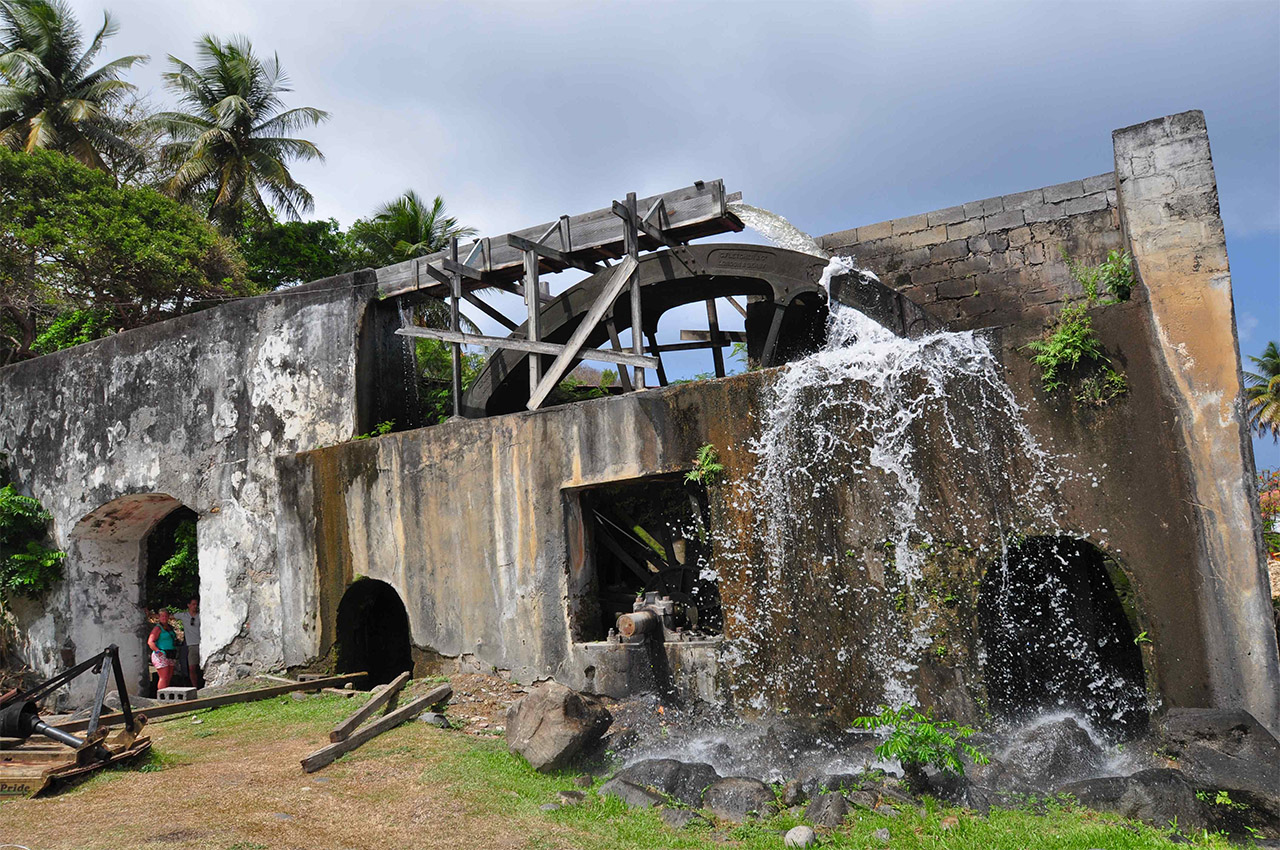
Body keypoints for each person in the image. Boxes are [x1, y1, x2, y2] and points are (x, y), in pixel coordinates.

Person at [148, 609, 179, 692]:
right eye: (162, 616)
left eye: (166, 616)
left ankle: (166, 694)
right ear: (159, 617)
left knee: (169, 676)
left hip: (170, 653)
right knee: (163, 676)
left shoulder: (170, 627)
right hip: (161, 654)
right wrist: (158, 651)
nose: (164, 618)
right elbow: (150, 642)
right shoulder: (158, 628)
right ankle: (161, 695)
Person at [175, 596, 201, 688]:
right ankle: (195, 687)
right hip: (191, 645)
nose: (195, 606)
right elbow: (167, 616)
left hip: (201, 644)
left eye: (196, 604)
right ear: (188, 605)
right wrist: (149, 614)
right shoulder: (184, 615)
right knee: (191, 667)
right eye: (193, 604)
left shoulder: (200, 615)